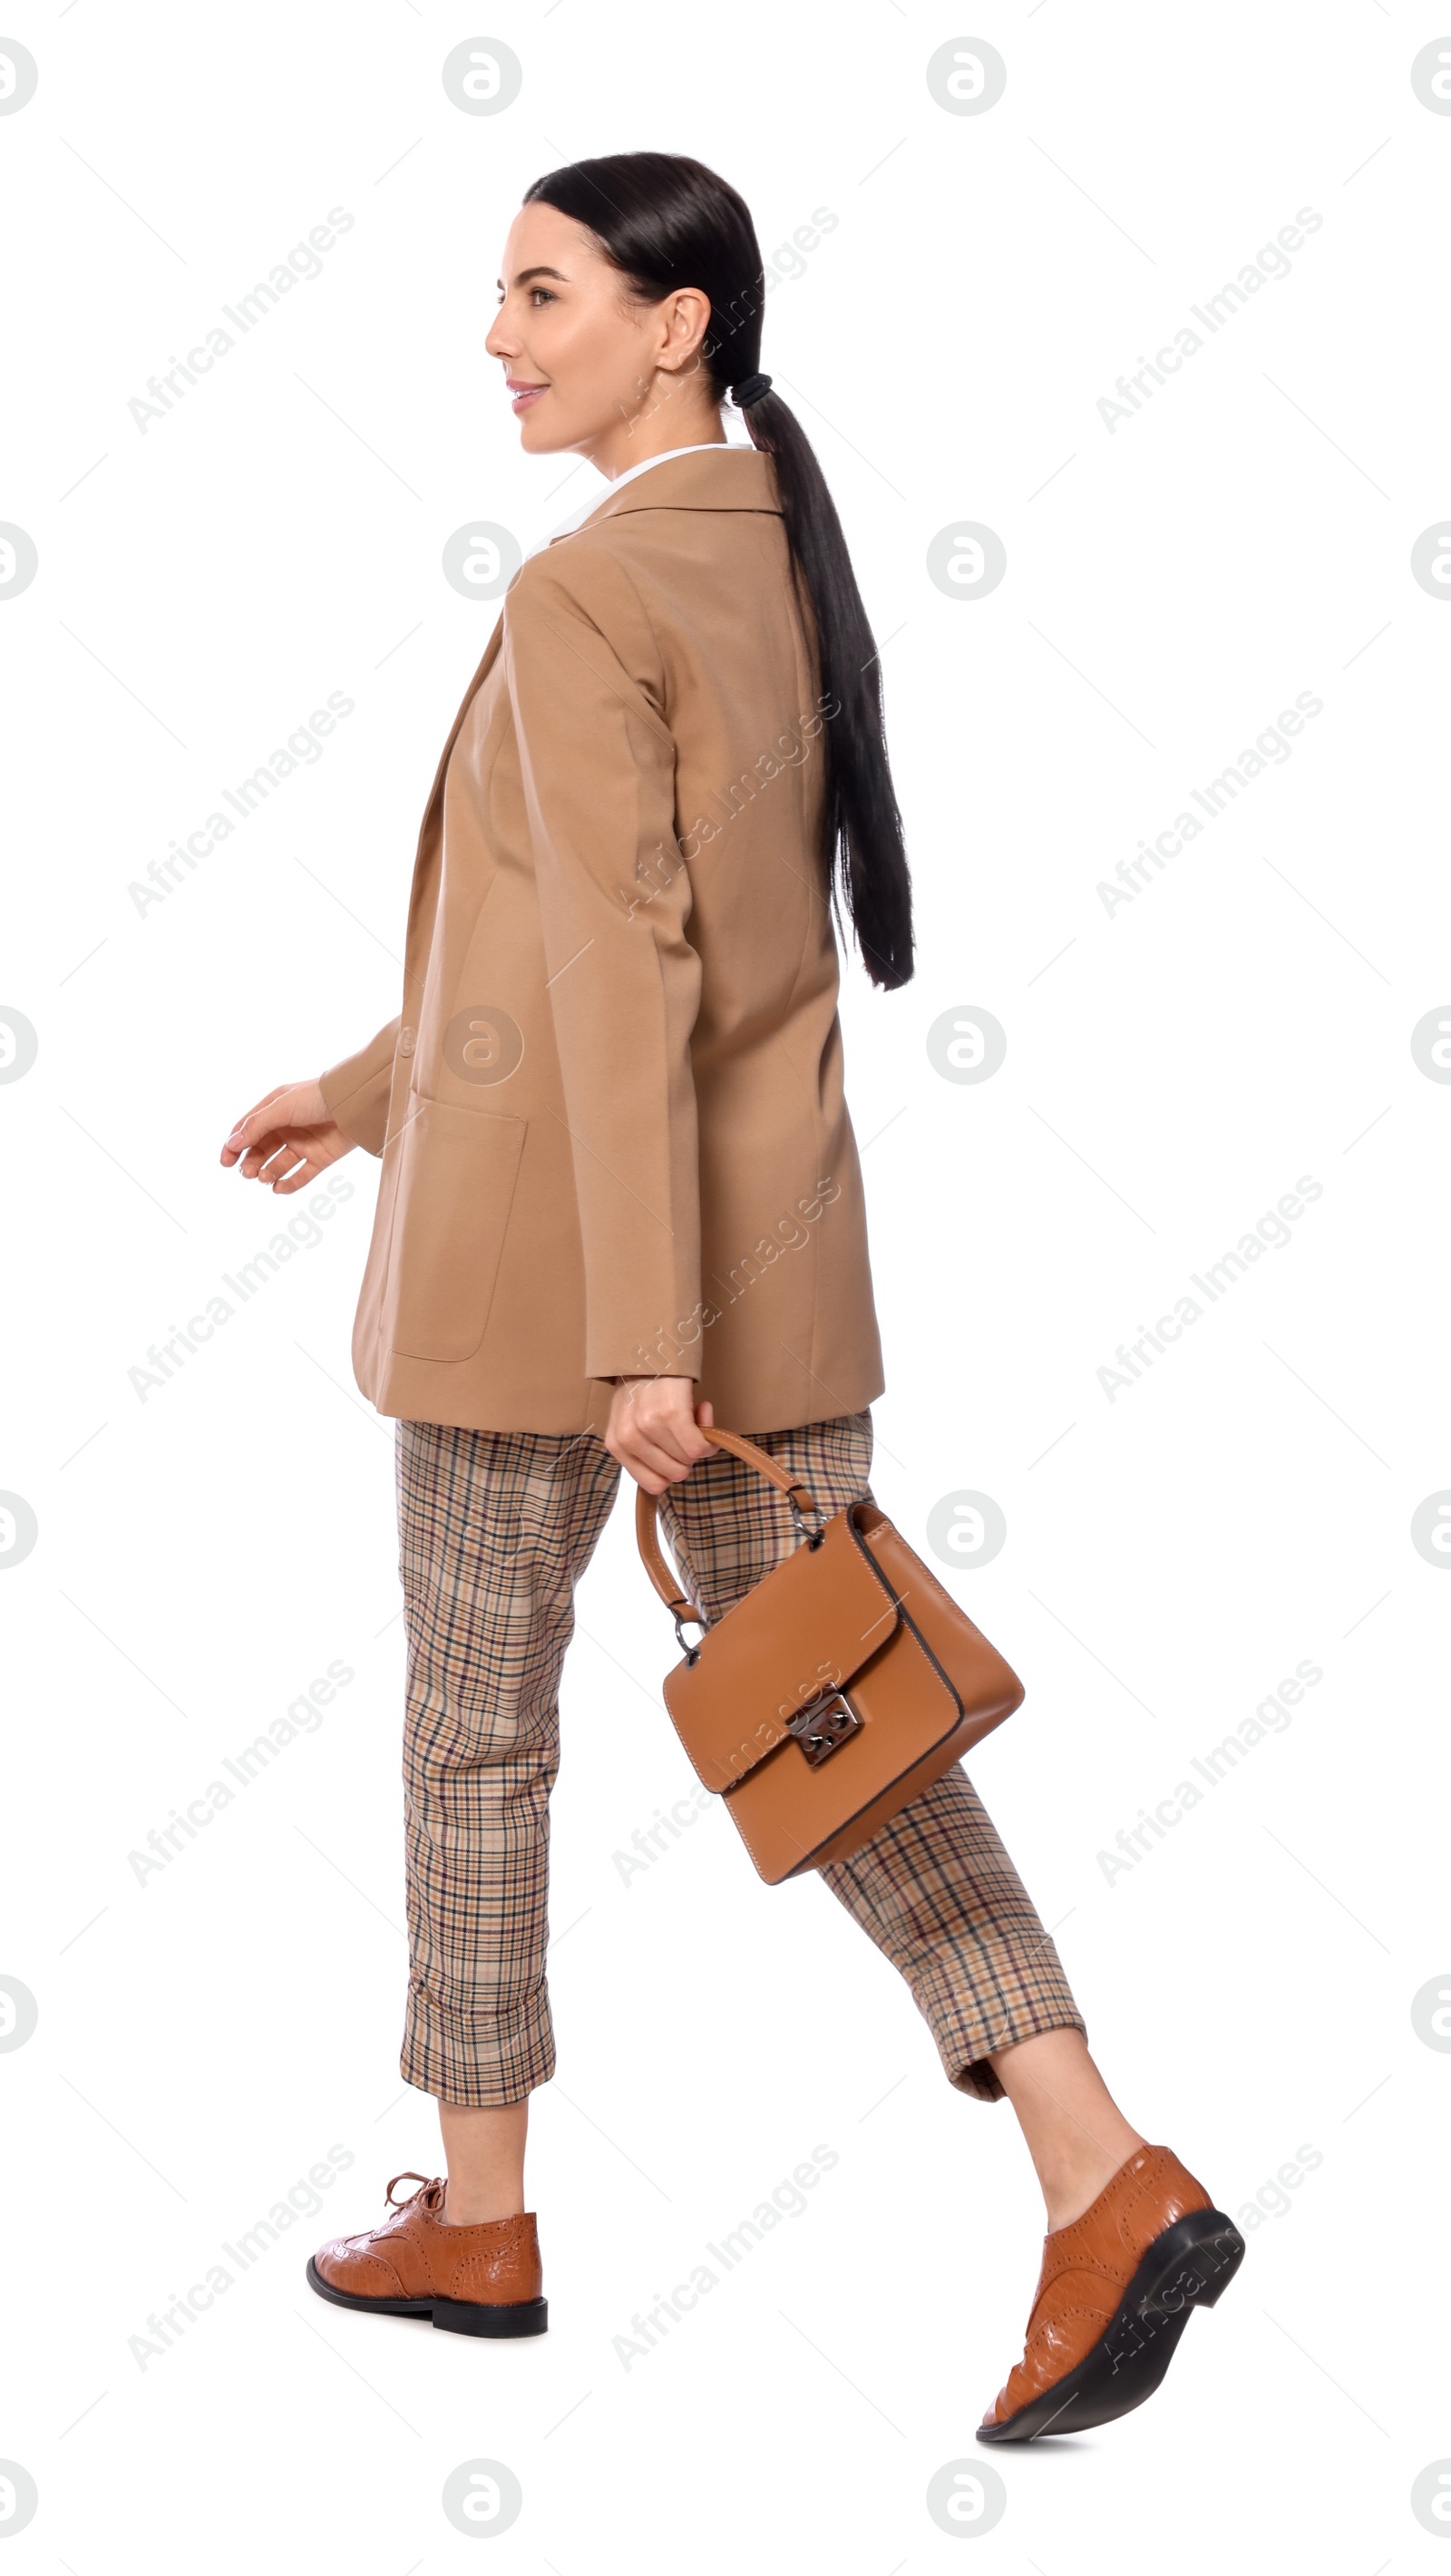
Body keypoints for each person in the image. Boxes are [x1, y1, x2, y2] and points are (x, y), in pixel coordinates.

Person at [219, 151, 1242, 2438]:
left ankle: (482, 2217)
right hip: (758, 1259)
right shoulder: (765, 539)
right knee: (847, 1727)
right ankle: (1099, 2172)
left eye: (540, 293)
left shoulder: (593, 588)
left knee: (479, 1738)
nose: (496, 337)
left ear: (670, 323)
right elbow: (601, 946)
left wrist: (633, 1342)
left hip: (567, 1306)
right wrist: (364, 1081)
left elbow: (621, 964)